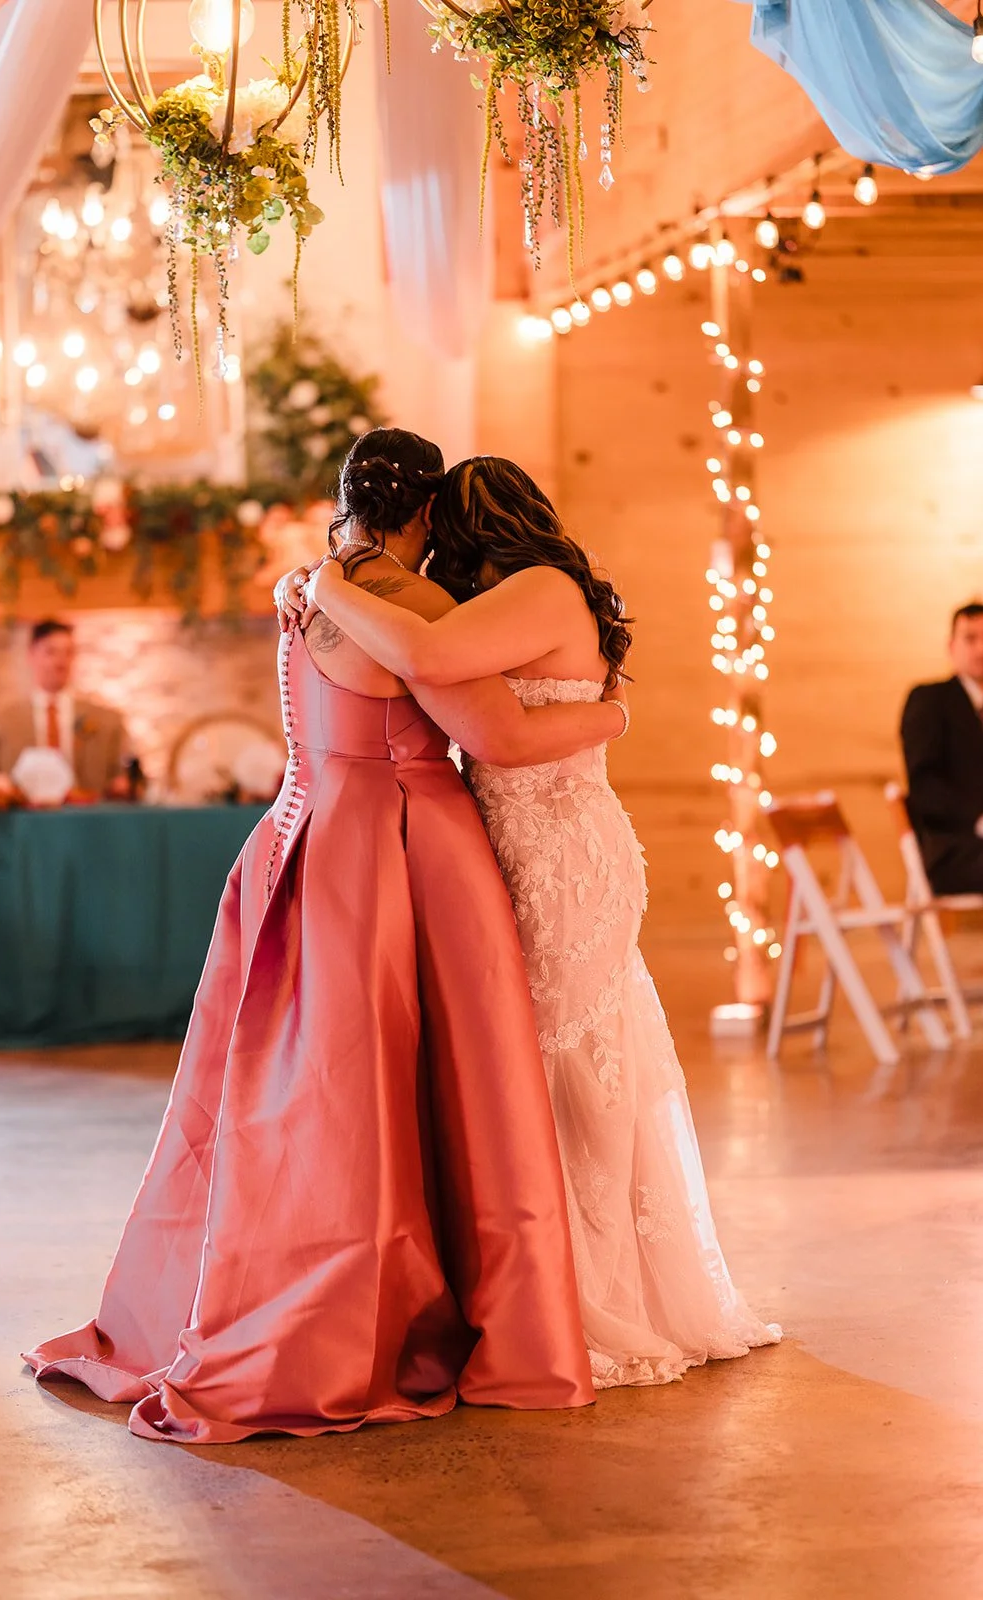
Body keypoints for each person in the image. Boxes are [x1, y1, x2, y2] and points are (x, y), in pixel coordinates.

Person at [23, 430, 627, 1444]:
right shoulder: (405, 598)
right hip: (401, 835)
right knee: (420, 1077)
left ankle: (276, 1279)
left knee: (307, 1088)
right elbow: (489, 731)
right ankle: (398, 1311)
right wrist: (607, 714)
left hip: (299, 831)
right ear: (424, 511)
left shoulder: (307, 591)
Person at [299, 454, 781, 1388]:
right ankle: (547, 1282)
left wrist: (325, 577)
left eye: (446, 530)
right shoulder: (498, 602)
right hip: (519, 850)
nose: (433, 548)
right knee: (546, 1060)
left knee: (568, 1064)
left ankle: (586, 1291)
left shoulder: (542, 590)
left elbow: (436, 668)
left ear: (472, 525)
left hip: (562, 856)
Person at [0, 618, 132, 797]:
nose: (60, 662)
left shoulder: (107, 721)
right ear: (31, 655)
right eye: (51, 652)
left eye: (68, 653)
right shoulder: (0, 722)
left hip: (87, 818)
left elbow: (124, 778)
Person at [901, 602, 983, 895]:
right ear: (952, 646)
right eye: (971, 638)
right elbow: (925, 786)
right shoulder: (930, 701)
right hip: (953, 849)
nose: (980, 650)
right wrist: (977, 818)